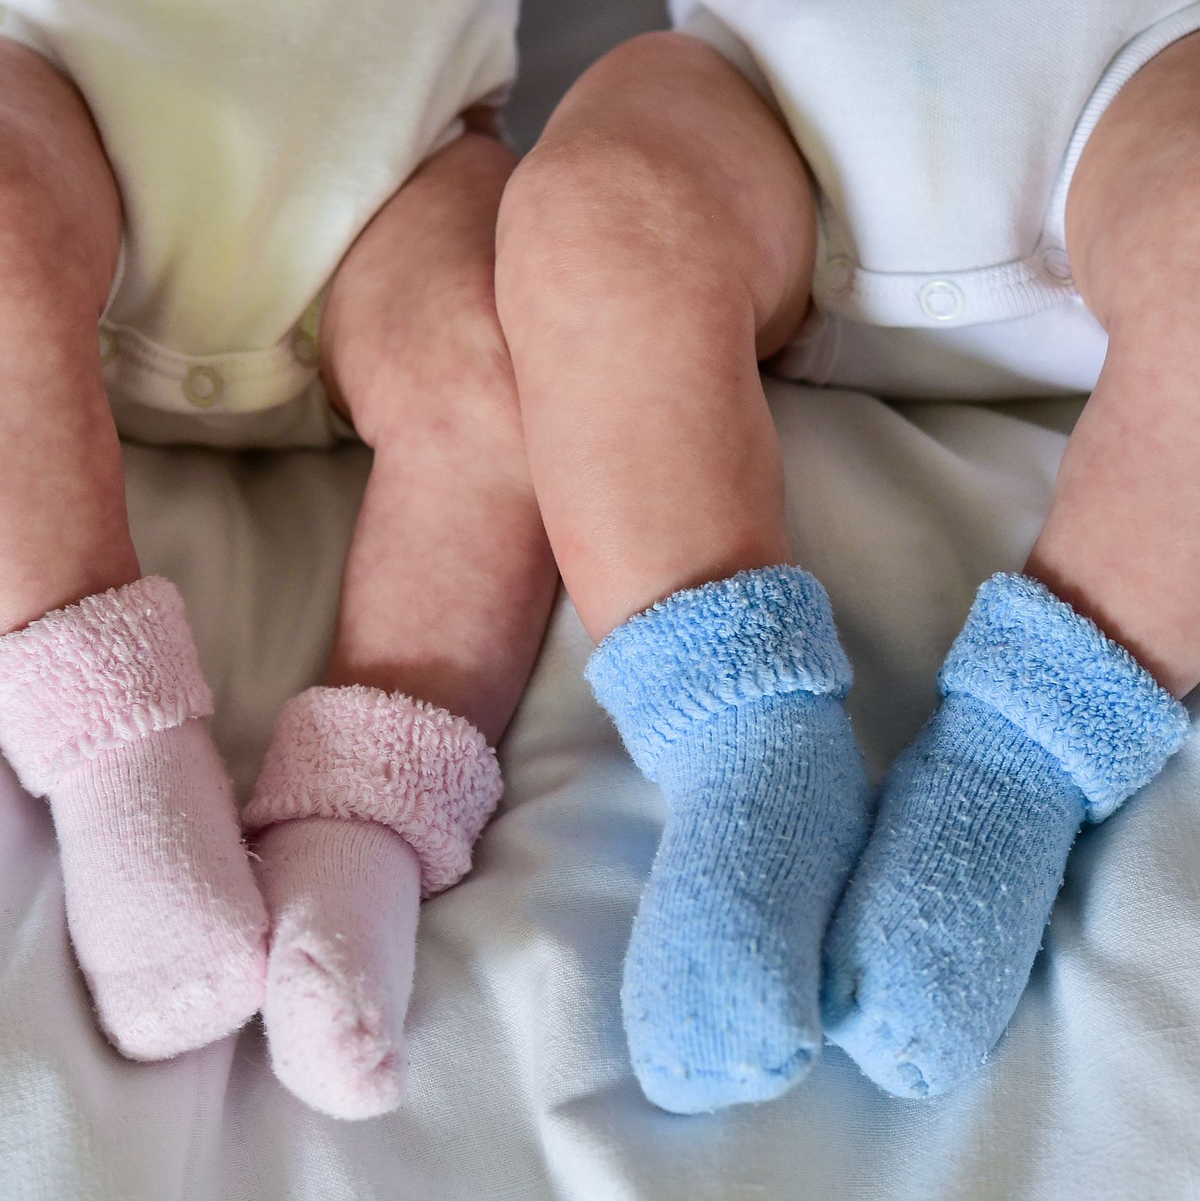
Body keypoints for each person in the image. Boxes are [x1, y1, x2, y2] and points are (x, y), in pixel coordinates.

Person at [492, 2, 1200, 1111]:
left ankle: (1014, 769)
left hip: (1135, 84)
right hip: (770, 102)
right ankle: (747, 745)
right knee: (591, 208)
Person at [0, 1, 556, 1121]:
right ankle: (124, 766)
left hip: (398, 167)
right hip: (56, 99)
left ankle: (357, 838)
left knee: (513, 352)